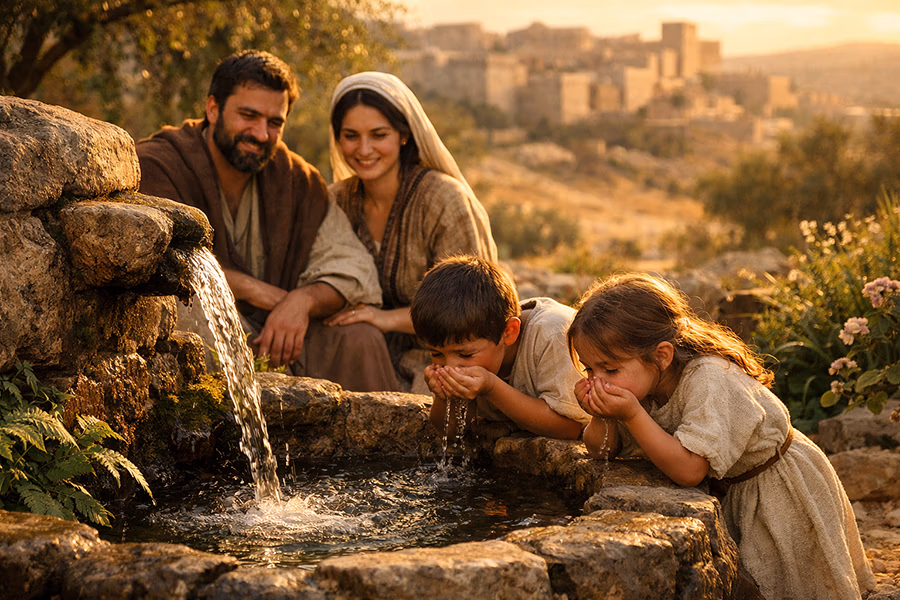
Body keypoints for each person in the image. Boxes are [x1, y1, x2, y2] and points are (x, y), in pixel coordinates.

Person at [567, 272, 875, 600]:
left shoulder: (708, 379)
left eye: (609, 370)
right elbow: (602, 451)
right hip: (736, 489)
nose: (598, 381)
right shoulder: (641, 382)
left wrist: (631, 414)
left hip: (778, 488)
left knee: (795, 584)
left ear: (661, 355)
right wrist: (600, 413)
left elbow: (689, 471)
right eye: (589, 370)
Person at [136, 50, 398, 392]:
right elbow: (163, 260)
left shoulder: (295, 179)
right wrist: (261, 293)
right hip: (202, 331)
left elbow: (353, 269)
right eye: (249, 115)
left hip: (282, 340)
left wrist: (301, 302)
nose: (261, 134)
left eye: (275, 123)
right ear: (213, 109)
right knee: (194, 315)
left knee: (359, 337)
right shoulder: (160, 164)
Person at [323, 71, 497, 393]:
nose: (363, 149)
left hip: (443, 362)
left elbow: (474, 308)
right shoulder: (336, 202)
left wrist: (385, 318)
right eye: (351, 136)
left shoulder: (444, 201)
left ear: (403, 134)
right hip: (357, 354)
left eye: (378, 135)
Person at [410, 255, 591, 440]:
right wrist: (445, 397)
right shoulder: (474, 338)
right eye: (436, 353)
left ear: (509, 332)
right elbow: (449, 434)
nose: (451, 367)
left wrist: (492, 387)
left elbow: (570, 428)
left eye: (465, 354)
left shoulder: (553, 334)